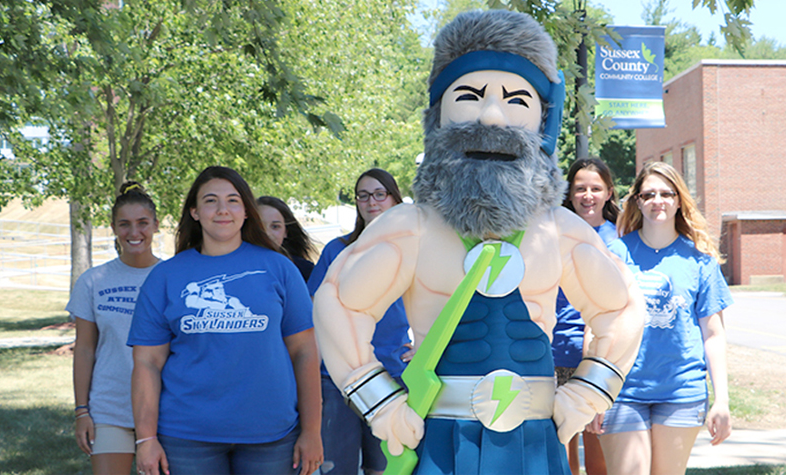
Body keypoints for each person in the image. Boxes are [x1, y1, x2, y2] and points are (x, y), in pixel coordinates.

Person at [311, 10, 645, 475]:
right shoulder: (411, 227)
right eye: (469, 96)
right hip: (441, 438)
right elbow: (339, 302)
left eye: (515, 100)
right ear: (439, 115)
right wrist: (381, 405)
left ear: (543, 124)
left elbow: (622, 306)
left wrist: (589, 391)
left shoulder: (560, 231)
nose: (491, 115)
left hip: (534, 443)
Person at [128, 166, 323, 475]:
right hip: (186, 435)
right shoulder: (166, 277)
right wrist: (146, 438)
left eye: (233, 200)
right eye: (210, 201)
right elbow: (147, 363)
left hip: (271, 433)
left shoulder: (280, 269)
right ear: (194, 211)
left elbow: (305, 352)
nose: (222, 210)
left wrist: (312, 431)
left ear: (246, 210)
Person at [589, 161, 733, 475]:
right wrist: (593, 390)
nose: (658, 201)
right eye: (649, 194)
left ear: (679, 200)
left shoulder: (700, 260)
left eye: (667, 194)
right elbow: (596, 326)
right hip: (623, 391)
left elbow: (713, 335)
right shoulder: (616, 254)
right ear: (637, 201)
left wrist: (722, 400)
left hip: (681, 391)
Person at [307, 168, 412, 475]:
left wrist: (423, 347)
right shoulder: (337, 250)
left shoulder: (412, 250)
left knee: (384, 469)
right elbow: (315, 313)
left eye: (380, 194)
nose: (372, 202)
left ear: (395, 199)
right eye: (363, 195)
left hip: (390, 374)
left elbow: (436, 306)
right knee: (335, 469)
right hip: (339, 378)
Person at [69, 182, 162, 475]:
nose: (134, 233)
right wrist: (81, 410)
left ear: (156, 225)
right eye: (125, 224)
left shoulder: (172, 276)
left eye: (142, 223)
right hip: (110, 409)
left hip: (167, 409)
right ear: (113, 227)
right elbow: (84, 349)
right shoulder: (93, 281)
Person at [553, 158, 626, 475]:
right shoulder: (554, 234)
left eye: (595, 189)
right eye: (580, 188)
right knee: (560, 455)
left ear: (608, 193)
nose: (587, 195)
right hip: (554, 356)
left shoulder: (619, 241)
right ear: (569, 193)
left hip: (599, 357)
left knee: (598, 452)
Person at [257, 196, 318, 281]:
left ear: (286, 232)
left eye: (275, 226)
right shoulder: (235, 266)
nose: (267, 233)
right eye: (259, 226)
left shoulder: (305, 270)